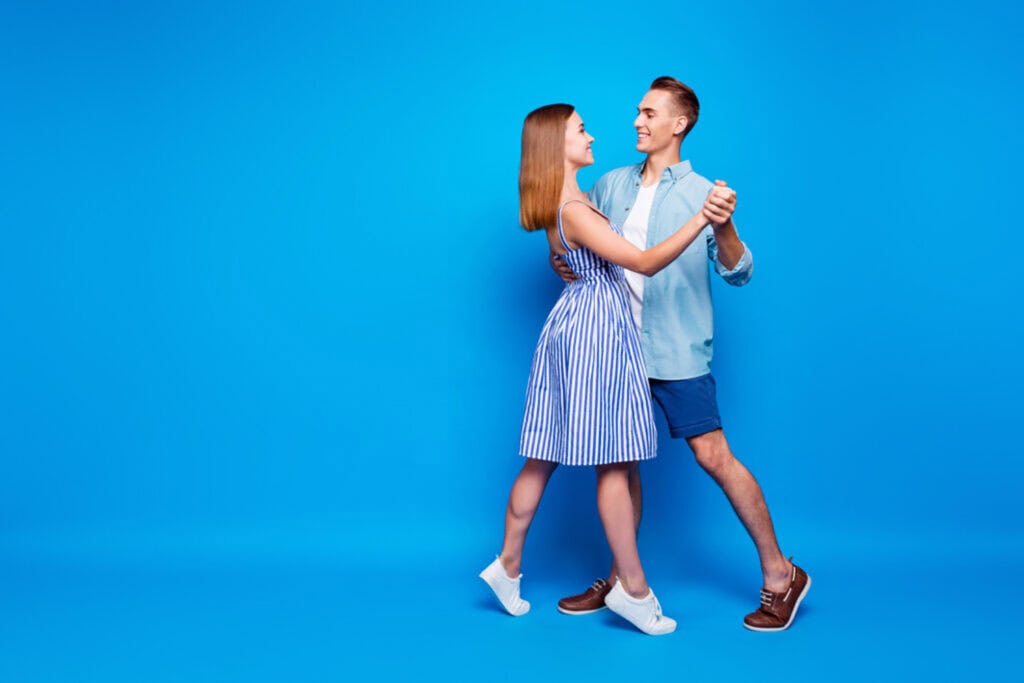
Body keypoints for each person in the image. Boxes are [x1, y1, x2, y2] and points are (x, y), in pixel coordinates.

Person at [553, 77, 810, 632]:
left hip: (675, 350)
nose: (637, 122)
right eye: (637, 113)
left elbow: (739, 272)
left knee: (713, 456)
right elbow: (579, 241)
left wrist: (727, 224)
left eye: (649, 113)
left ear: (680, 123)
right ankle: (625, 579)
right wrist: (560, 259)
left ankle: (782, 573)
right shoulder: (610, 185)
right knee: (615, 464)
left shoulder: (704, 193)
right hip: (614, 350)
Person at [479, 103, 737, 636]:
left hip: (574, 327)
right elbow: (639, 262)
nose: (592, 135)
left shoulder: (568, 202)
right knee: (615, 463)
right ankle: (634, 592)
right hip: (597, 334)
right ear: (558, 145)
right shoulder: (573, 208)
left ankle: (507, 565)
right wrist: (701, 218)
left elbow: (570, 257)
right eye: (580, 130)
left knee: (543, 455)